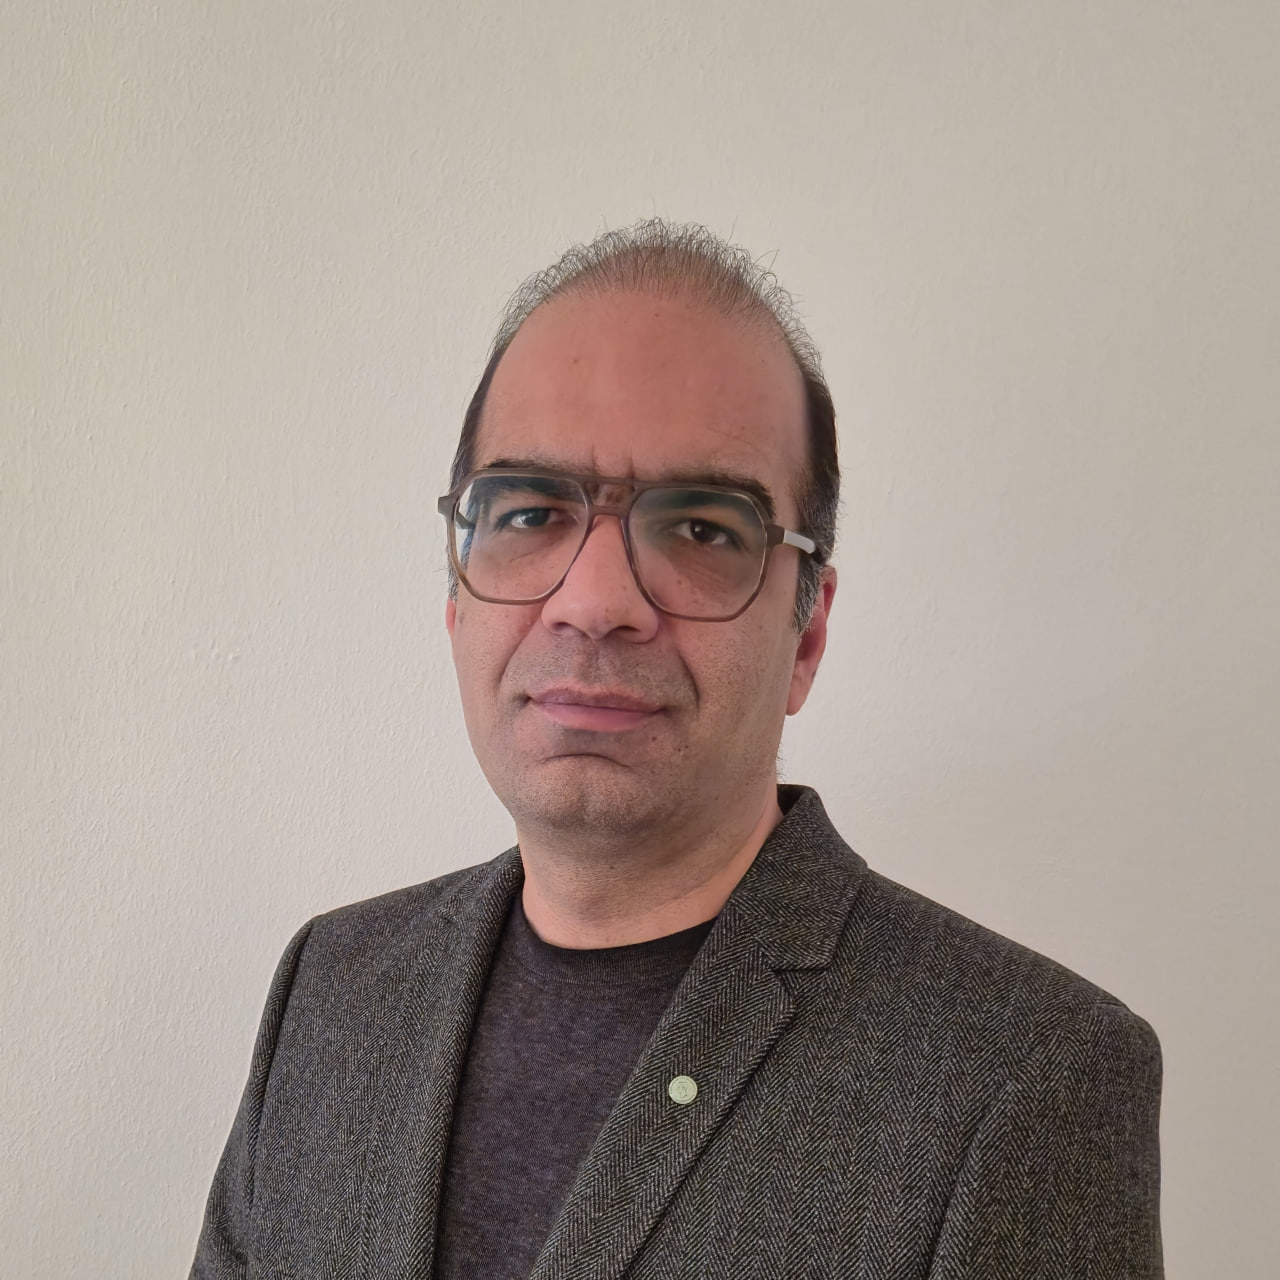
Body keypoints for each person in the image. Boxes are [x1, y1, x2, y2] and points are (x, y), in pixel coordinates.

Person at [191, 221, 1163, 1279]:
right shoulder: (332, 991)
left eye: (702, 528)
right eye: (529, 511)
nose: (595, 600)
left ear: (806, 635)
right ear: (456, 599)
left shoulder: (1025, 1077)